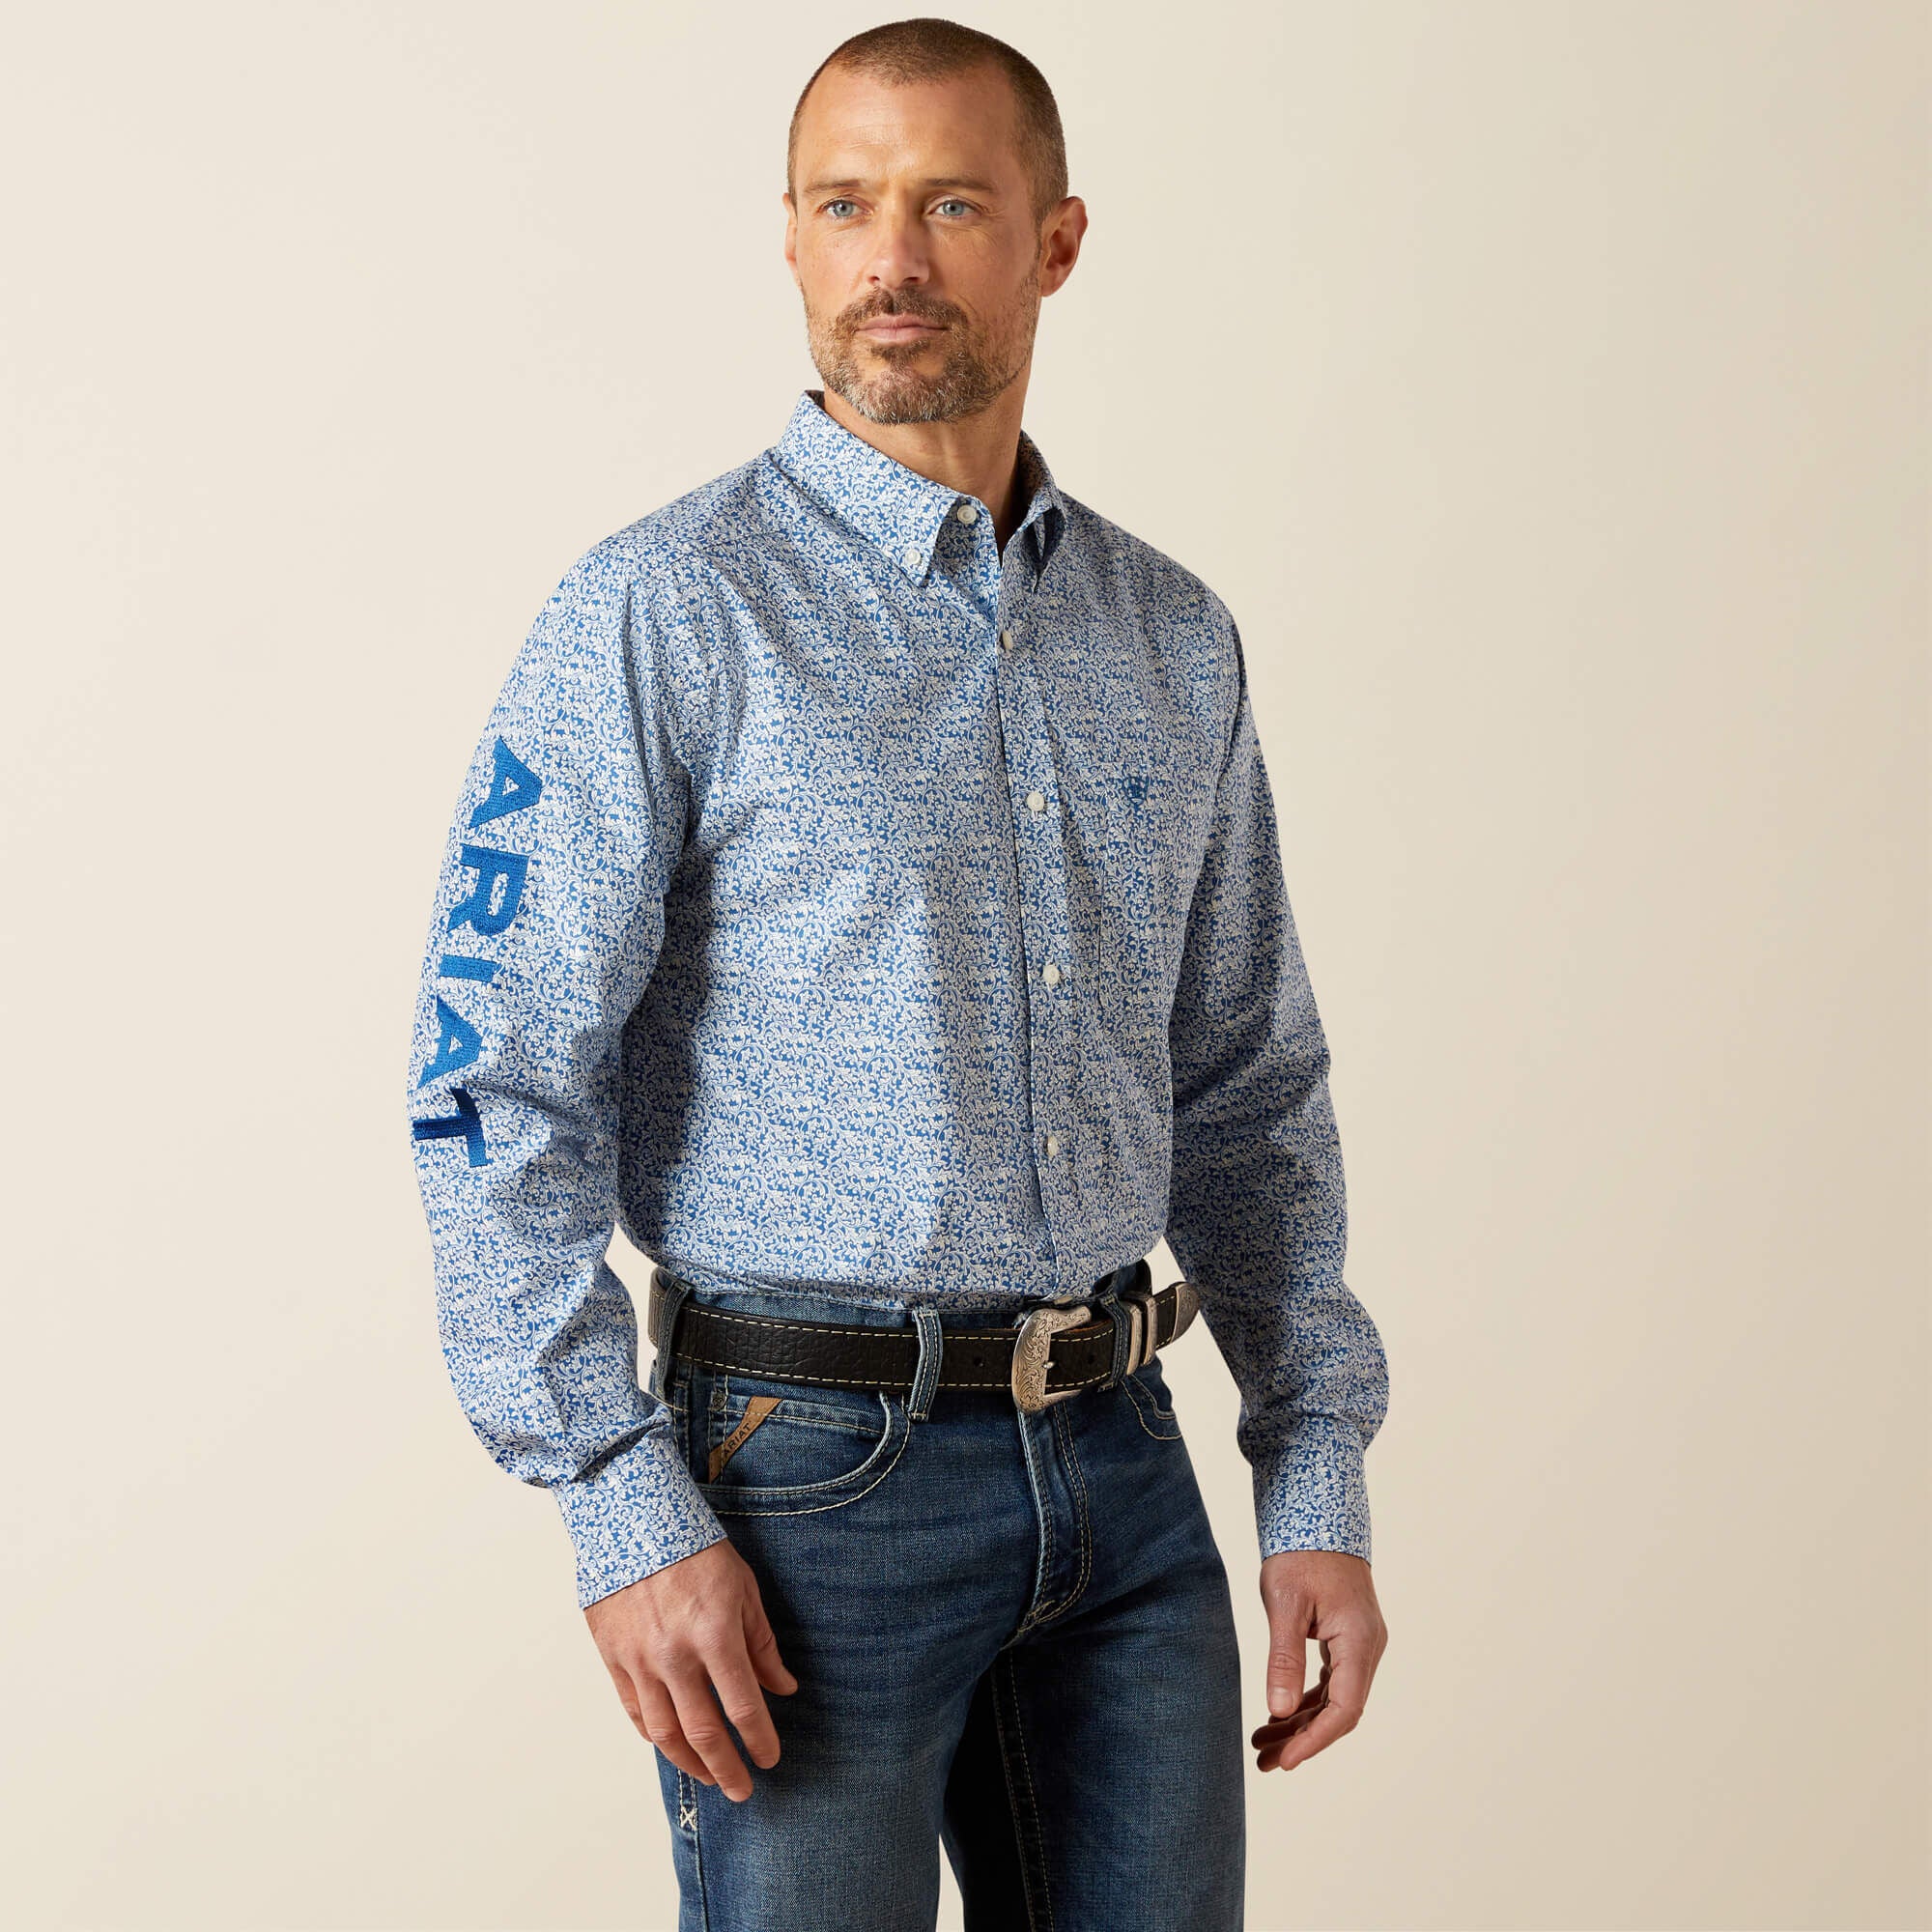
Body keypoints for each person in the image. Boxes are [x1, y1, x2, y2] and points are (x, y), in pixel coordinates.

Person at [405, 17, 1390, 1931]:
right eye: (845, 205)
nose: (893, 261)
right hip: (803, 1490)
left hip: (1124, 1475)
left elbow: (1246, 1082)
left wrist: (1314, 1474)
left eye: (949, 205)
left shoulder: (1172, 635)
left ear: (1056, 241)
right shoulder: (663, 610)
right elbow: (490, 1080)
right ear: (788, 237)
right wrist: (617, 1497)